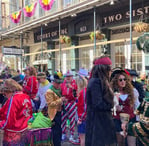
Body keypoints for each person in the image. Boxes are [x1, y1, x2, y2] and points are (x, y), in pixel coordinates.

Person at [85, 56, 116, 146]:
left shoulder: (98, 81)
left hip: (101, 121)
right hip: (98, 123)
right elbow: (98, 104)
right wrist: (111, 103)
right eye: (110, 69)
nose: (111, 72)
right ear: (104, 69)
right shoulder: (96, 82)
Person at [111, 70, 140, 146]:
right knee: (120, 142)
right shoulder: (113, 92)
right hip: (117, 120)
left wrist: (138, 119)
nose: (123, 82)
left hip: (131, 119)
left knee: (131, 143)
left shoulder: (133, 91)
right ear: (116, 81)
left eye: (125, 79)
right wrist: (115, 104)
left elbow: (137, 106)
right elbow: (111, 107)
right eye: (120, 80)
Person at [0, 79, 32, 146]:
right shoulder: (25, 96)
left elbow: (9, 120)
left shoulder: (13, 99)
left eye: (4, 93)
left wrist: (1, 124)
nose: (4, 95)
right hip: (25, 130)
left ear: (9, 90)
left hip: (13, 134)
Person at [45, 73, 66, 146]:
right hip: (53, 114)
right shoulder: (49, 91)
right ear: (53, 82)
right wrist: (60, 100)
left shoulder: (59, 89)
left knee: (59, 131)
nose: (58, 85)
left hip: (59, 112)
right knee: (55, 132)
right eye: (57, 83)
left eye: (59, 83)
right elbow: (50, 104)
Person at [61, 70, 78, 143]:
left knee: (72, 120)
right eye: (67, 76)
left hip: (72, 103)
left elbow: (76, 95)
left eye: (69, 76)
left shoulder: (75, 83)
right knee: (63, 119)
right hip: (64, 103)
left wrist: (72, 88)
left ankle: (71, 135)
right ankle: (63, 134)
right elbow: (60, 92)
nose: (68, 78)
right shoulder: (63, 83)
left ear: (72, 77)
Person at [76, 68, 88, 146]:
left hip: (83, 118)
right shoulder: (84, 91)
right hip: (85, 117)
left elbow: (84, 107)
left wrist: (80, 118)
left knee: (83, 139)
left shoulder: (83, 92)